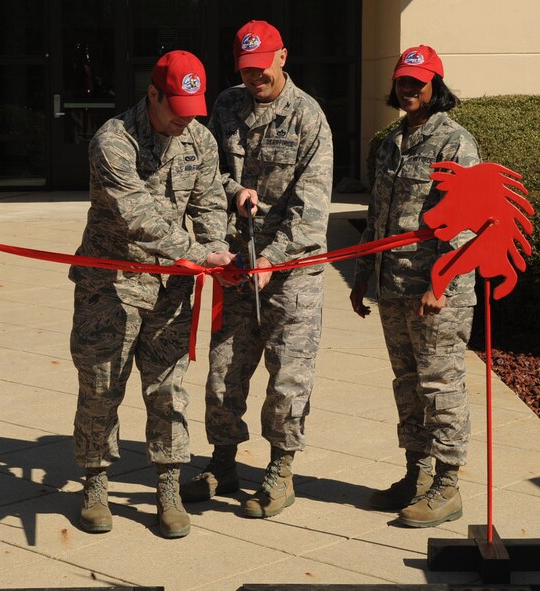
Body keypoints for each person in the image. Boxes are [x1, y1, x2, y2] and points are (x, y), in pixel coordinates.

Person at [69, 50, 235, 538]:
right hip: (110, 289)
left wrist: (217, 247)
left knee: (168, 392)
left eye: (193, 112)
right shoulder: (112, 142)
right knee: (101, 387)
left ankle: (169, 488)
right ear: (153, 95)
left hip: (171, 292)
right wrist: (198, 253)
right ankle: (95, 483)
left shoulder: (199, 138)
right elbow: (137, 216)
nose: (185, 122)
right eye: (176, 110)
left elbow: (209, 206)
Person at [180, 20, 333, 519]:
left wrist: (274, 257)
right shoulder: (225, 106)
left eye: (261, 69)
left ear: (282, 57)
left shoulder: (309, 119)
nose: (254, 79)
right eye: (246, 71)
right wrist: (232, 192)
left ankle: (280, 471)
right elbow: (211, 168)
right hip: (237, 264)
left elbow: (311, 209)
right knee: (224, 372)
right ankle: (221, 462)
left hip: (292, 273)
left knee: (288, 377)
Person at [350, 45, 480, 527]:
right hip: (393, 285)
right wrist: (363, 273)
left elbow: (465, 220)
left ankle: (448, 485)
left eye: (418, 82)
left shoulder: (454, 142)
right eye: (403, 81)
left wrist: (441, 280)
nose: (408, 89)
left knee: (440, 385)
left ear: (436, 86)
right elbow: (378, 216)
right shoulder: (390, 142)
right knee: (407, 384)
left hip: (435, 291)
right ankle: (417, 475)